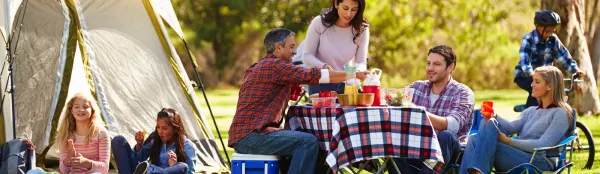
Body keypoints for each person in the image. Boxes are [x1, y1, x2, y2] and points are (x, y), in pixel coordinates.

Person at [228, 28, 366, 174]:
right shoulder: (275, 66)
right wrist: (354, 74)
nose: (295, 52)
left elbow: (273, 93)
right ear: (278, 48)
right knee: (308, 142)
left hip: (248, 135)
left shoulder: (263, 66)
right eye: (292, 47)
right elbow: (314, 75)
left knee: (309, 140)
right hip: (254, 136)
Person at [460, 66, 573, 173]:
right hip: (519, 154)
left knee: (478, 141)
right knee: (480, 131)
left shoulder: (560, 114)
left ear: (549, 86)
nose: (532, 85)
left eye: (537, 82)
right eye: (533, 80)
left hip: (540, 161)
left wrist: (509, 141)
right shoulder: (532, 111)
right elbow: (511, 127)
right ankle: (479, 172)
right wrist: (494, 116)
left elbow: (543, 144)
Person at [388, 45, 475, 174]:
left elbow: (452, 125)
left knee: (445, 135)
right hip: (416, 148)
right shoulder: (417, 88)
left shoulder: (463, 92)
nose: (430, 68)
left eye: (436, 64)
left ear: (450, 67)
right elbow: (394, 100)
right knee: (390, 137)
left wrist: (418, 112)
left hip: (448, 154)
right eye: (428, 63)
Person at [514, 10, 584, 108]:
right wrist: (532, 74)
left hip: (545, 77)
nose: (550, 34)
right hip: (524, 75)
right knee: (537, 87)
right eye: (547, 31)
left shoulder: (553, 40)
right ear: (538, 27)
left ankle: (546, 112)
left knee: (553, 94)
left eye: (552, 31)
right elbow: (524, 62)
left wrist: (575, 70)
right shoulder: (528, 39)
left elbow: (564, 57)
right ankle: (530, 112)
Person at [302, 0, 369, 95]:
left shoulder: (361, 28)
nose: (349, 14)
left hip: (347, 86)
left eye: (354, 9)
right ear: (336, 3)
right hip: (321, 85)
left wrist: (358, 72)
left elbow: (361, 61)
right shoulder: (319, 23)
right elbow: (307, 56)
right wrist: (323, 66)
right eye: (345, 8)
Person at [111, 108, 198, 174]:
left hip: (153, 171)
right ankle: (149, 170)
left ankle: (151, 170)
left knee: (182, 166)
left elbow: (189, 172)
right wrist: (139, 144)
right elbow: (139, 160)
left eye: (164, 128)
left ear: (175, 129)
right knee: (118, 140)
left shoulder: (188, 147)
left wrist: (173, 167)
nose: (160, 131)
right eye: (158, 127)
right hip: (145, 170)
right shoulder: (155, 139)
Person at [55, 93, 110, 174]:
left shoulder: (101, 133)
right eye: (76, 107)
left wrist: (86, 163)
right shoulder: (65, 134)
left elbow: (105, 168)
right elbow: (63, 171)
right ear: (71, 111)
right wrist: (69, 158)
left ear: (92, 110)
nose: (81, 110)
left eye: (85, 107)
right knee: (33, 172)